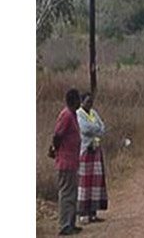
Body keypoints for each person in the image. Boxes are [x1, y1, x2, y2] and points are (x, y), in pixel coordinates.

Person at [49, 88, 83, 235]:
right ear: (73, 101)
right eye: (78, 100)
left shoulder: (72, 114)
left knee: (72, 193)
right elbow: (57, 135)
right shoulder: (66, 115)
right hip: (65, 160)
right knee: (66, 193)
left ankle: (71, 222)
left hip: (72, 160)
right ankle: (64, 225)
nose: (80, 103)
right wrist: (55, 151)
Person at [76, 92, 108, 224]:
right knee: (85, 184)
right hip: (85, 152)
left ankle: (93, 213)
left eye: (91, 102)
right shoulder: (78, 114)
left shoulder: (93, 113)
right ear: (81, 101)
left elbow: (103, 128)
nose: (90, 104)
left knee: (96, 183)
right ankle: (83, 214)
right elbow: (85, 129)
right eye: (87, 101)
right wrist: (96, 129)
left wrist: (95, 129)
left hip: (96, 151)